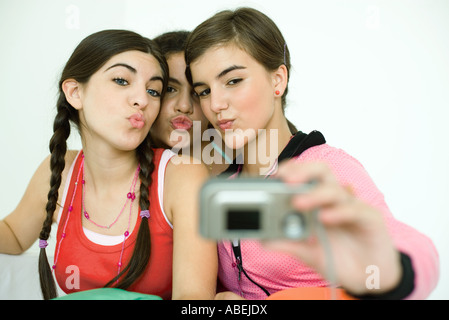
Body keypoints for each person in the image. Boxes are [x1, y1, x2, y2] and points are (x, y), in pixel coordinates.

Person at [184, 7, 439, 299]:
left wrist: (386, 272)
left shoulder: (326, 168)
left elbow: (414, 250)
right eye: (204, 91)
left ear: (278, 80)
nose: (215, 103)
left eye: (233, 81)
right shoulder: (219, 186)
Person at [0, 29, 217, 300]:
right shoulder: (61, 170)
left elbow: (194, 301)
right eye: (121, 80)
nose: (142, 100)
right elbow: (14, 236)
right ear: (75, 92)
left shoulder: (183, 176)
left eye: (153, 90)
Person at [150, 30, 230, 176]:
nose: (185, 106)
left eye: (199, 93)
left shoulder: (244, 158)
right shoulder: (122, 166)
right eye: (169, 89)